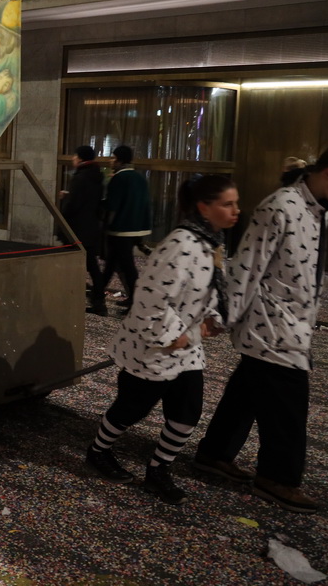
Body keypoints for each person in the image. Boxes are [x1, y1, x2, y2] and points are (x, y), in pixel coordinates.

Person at [194, 143, 328, 514]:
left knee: (248, 390)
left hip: (291, 322)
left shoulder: (318, 210)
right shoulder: (280, 207)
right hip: (272, 326)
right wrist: (222, 315)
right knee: (288, 405)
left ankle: (214, 453)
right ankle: (278, 477)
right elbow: (247, 267)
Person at [85, 174, 240, 504]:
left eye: (235, 203)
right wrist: (176, 337)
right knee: (131, 409)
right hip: (152, 348)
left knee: (186, 414)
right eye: (227, 204)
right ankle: (97, 451)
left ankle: (158, 470)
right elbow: (150, 300)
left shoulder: (210, 241)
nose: (236, 210)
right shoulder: (180, 245)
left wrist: (212, 317)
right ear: (204, 207)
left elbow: (210, 286)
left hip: (187, 348)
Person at [100, 145, 151, 312]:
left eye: (113, 158)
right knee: (113, 264)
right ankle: (98, 295)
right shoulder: (140, 178)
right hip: (136, 227)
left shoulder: (119, 178)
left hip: (120, 229)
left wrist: (106, 224)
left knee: (126, 266)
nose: (110, 161)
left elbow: (112, 205)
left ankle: (135, 301)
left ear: (120, 160)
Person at [60, 145, 106, 315]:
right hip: (91, 228)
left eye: (74, 155)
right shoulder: (97, 177)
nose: (72, 158)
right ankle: (98, 301)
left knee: (74, 264)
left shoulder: (80, 178)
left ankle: (72, 298)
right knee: (92, 266)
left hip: (77, 229)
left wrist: (64, 205)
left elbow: (73, 205)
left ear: (80, 158)